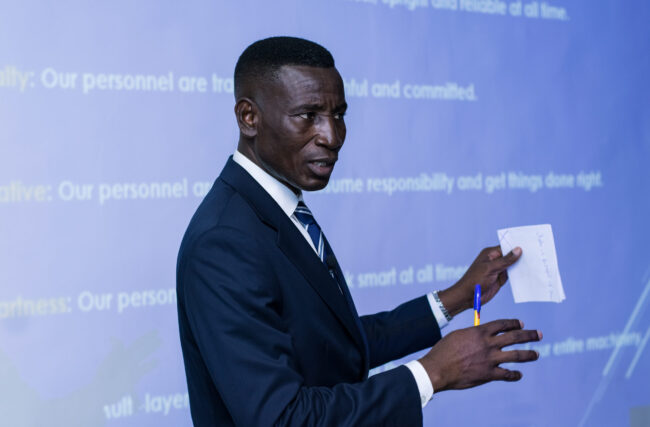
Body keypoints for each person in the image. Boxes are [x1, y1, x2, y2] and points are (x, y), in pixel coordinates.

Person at [176, 36, 542, 427]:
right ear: (249, 117)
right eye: (309, 115)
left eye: (338, 115)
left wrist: (455, 298)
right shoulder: (223, 242)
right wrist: (431, 373)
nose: (332, 137)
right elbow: (283, 418)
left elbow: (332, 343)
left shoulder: (275, 208)